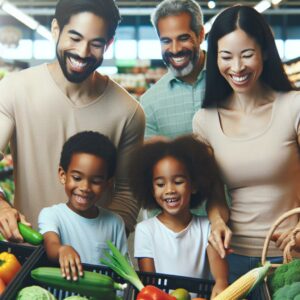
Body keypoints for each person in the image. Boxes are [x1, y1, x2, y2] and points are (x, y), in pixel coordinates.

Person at [0, 0, 145, 241]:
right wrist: (2, 206)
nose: (82, 52)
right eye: (75, 38)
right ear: (56, 30)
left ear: (108, 44)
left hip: (93, 262)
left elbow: (129, 194)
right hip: (26, 246)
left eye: (96, 43)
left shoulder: (128, 112)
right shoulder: (13, 90)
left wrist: (96, 243)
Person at [192, 5, 300, 299]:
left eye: (247, 55)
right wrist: (216, 222)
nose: (237, 68)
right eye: (226, 57)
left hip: (291, 258)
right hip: (234, 261)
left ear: (264, 51)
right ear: (215, 59)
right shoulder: (205, 121)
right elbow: (215, 192)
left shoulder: (294, 107)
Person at [130, 136, 229, 298]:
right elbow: (150, 285)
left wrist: (221, 283)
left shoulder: (207, 228)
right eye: (160, 184)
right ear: (151, 190)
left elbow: (221, 280)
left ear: (195, 185)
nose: (169, 190)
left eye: (178, 181)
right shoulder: (145, 230)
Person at [38, 131, 127, 281]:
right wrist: (62, 250)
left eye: (96, 181)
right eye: (77, 178)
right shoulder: (51, 215)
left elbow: (123, 271)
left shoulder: (115, 223)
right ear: (62, 175)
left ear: (108, 183)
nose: (85, 187)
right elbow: (51, 243)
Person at [140, 0, 206, 140]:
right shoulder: (149, 102)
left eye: (183, 38)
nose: (175, 49)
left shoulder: (230, 78)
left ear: (200, 35)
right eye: (166, 41)